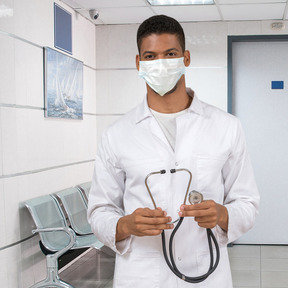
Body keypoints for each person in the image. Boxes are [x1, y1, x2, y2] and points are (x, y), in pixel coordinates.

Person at [88, 15, 259, 288]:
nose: (161, 64)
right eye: (150, 56)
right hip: (142, 274)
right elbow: (99, 210)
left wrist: (223, 215)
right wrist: (125, 225)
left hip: (206, 273)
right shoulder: (117, 134)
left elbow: (248, 203)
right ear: (138, 63)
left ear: (186, 58)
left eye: (170, 54)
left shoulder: (226, 127)